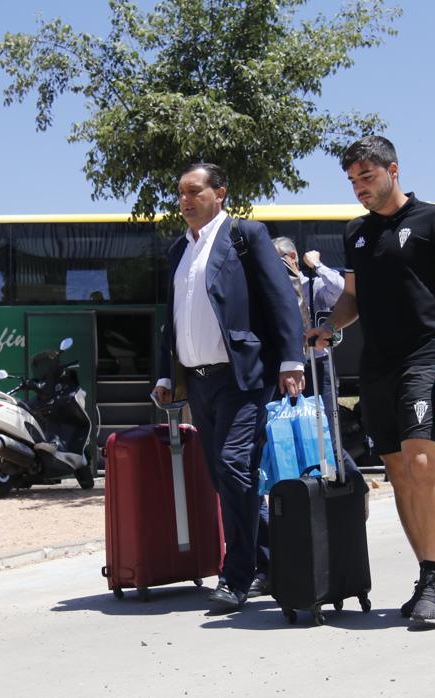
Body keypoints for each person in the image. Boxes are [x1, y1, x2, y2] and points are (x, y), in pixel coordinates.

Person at [308, 136, 435, 626]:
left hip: (427, 356)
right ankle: (432, 577)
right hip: (377, 365)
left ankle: (434, 575)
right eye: (352, 181)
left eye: (367, 177)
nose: (359, 188)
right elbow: (352, 299)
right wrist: (329, 325)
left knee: (422, 461)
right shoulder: (356, 233)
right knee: (398, 470)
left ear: (393, 170)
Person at [152, 162, 305, 612]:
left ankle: (235, 577)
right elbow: (172, 319)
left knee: (234, 466)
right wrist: (166, 374)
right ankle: (269, 563)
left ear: (220, 193)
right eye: (180, 193)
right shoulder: (179, 250)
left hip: (244, 377)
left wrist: (291, 358)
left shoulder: (246, 236)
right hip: (198, 383)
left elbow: (280, 299)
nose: (185, 201)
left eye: (194, 191)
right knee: (225, 478)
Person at [273, 237, 345, 424]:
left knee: (327, 430)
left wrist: (317, 265)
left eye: (276, 260)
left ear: (292, 257)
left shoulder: (313, 285)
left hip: (318, 366)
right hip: (285, 368)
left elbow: (341, 291)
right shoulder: (272, 292)